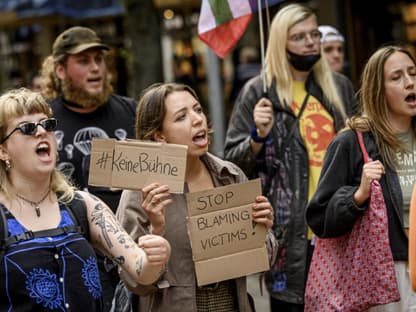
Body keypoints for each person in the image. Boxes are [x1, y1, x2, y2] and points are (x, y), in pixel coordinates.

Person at [223, 3, 356, 311]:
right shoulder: (259, 92)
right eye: (299, 37)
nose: (310, 42)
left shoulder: (339, 88)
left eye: (313, 34)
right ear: (280, 42)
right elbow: (230, 164)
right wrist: (258, 135)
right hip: (290, 236)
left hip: (339, 225)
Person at [0, 88, 170, 311]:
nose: (41, 132)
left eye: (48, 124)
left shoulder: (84, 206)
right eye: (27, 128)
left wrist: (156, 239)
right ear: (3, 150)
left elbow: (142, 272)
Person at [116, 82, 277, 312]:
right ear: (160, 135)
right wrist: (156, 230)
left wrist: (263, 229)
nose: (197, 119)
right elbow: (134, 282)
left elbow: (264, 260)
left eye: (198, 109)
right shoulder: (141, 191)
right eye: (181, 117)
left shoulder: (229, 176)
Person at [306, 45, 416, 311]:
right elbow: (320, 217)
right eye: (396, 77)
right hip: (385, 273)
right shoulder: (351, 142)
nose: (410, 82)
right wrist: (358, 196)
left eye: (413, 73)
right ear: (378, 90)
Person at [40, 26, 137, 311]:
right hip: (69, 257)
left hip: (131, 250)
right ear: (60, 70)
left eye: (99, 59)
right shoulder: (44, 121)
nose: (96, 68)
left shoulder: (131, 111)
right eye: (83, 61)